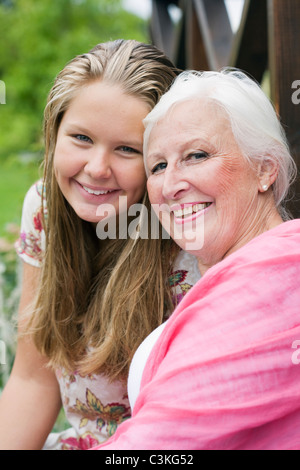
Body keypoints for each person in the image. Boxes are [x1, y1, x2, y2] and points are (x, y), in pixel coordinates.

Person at [0, 41, 201, 450]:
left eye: (127, 149)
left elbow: (191, 423)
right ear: (54, 133)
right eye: (81, 138)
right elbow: (32, 379)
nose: (96, 169)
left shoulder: (188, 238)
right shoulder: (43, 208)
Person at [93, 69, 300, 450]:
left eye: (197, 155)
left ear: (265, 168)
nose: (171, 186)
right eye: (157, 166)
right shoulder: (250, 273)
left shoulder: (280, 272)